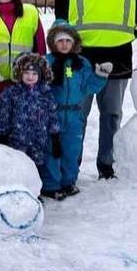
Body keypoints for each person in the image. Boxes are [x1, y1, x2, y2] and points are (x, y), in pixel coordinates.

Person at [55, 0, 136, 180]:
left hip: (118, 59)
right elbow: (60, 19)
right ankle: (71, 165)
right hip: (80, 61)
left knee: (111, 116)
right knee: (75, 115)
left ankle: (106, 165)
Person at [42, 21, 110, 199]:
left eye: (67, 40)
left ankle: (68, 182)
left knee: (71, 149)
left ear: (74, 43)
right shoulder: (47, 62)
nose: (64, 44)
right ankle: (51, 184)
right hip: (53, 114)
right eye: (60, 41)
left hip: (74, 115)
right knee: (52, 149)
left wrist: (100, 76)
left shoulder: (82, 63)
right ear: (53, 43)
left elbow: (89, 87)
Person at [0, 53, 60, 198]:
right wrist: (1, 134)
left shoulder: (45, 93)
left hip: (38, 140)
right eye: (26, 73)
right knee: (17, 168)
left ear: (40, 75)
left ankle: (33, 195)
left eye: (34, 73)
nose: (30, 77)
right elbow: (4, 115)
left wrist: (55, 135)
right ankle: (18, 194)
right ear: (20, 73)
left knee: (35, 168)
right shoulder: (11, 93)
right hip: (17, 141)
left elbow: (52, 114)